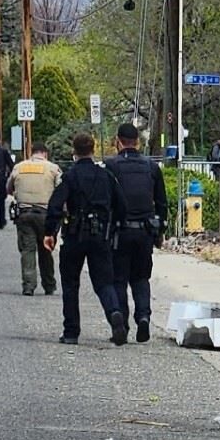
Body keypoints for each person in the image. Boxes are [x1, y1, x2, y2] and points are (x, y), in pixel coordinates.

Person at [44, 134, 128, 346]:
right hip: (100, 235)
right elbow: (122, 206)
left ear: (74, 151)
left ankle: (71, 332)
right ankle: (114, 312)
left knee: (70, 284)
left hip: (74, 234)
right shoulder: (106, 176)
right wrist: (112, 226)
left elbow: (55, 205)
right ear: (93, 149)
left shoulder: (70, 177)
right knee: (104, 282)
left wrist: (50, 232)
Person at [105, 123, 168, 344]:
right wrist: (160, 231)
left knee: (119, 280)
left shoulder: (111, 166)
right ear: (138, 143)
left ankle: (121, 324)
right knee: (141, 278)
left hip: (120, 232)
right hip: (145, 231)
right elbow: (162, 203)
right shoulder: (151, 167)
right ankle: (143, 316)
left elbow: (106, 200)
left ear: (118, 141)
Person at [8, 143, 62, 296]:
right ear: (45, 153)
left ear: (32, 152)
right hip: (45, 215)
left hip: (24, 214)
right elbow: (61, 190)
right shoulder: (53, 168)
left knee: (27, 250)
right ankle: (49, 285)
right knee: (46, 249)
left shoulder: (19, 167)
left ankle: (28, 285)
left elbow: (9, 188)